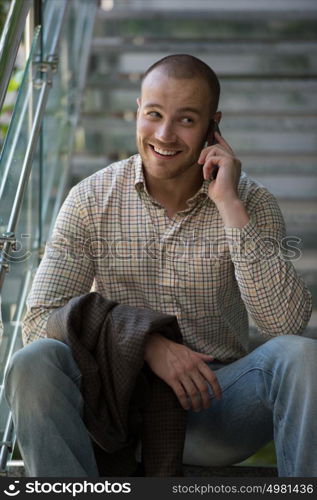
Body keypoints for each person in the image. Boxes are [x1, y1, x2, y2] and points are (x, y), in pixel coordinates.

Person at [4, 54, 315, 477]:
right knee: (33, 362)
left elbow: (285, 326)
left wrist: (228, 206)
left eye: (186, 120)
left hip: (216, 403)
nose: (164, 135)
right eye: (154, 114)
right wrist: (147, 345)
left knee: (303, 358)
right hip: (115, 404)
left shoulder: (250, 203)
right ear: (138, 112)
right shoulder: (91, 199)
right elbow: (39, 320)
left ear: (213, 126)